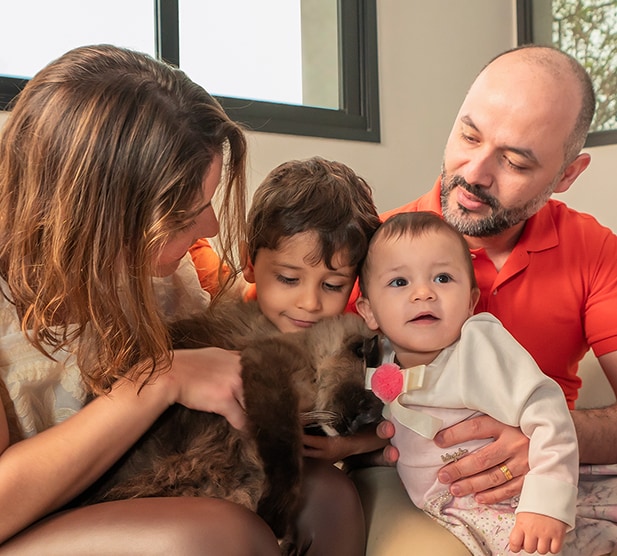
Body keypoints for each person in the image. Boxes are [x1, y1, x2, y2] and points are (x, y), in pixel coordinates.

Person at [0, 46, 352, 556]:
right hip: (28, 521)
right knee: (220, 537)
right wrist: (162, 378)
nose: (209, 228)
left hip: (139, 492)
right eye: (188, 213)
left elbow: (280, 330)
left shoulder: (184, 267)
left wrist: (362, 435)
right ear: (103, 215)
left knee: (326, 496)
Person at [352, 45, 617, 555]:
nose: (474, 173)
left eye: (515, 160)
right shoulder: (376, 250)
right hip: (416, 486)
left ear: (567, 175)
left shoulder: (592, 249)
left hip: (556, 478)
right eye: (468, 135)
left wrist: (548, 438)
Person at [356, 211, 578, 555]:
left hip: (510, 503)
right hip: (448, 512)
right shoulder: (378, 360)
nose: (423, 293)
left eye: (443, 278)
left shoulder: (479, 347)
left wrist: (545, 503)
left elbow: (548, 411)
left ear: (472, 301)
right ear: (368, 312)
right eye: (400, 282)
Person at [230, 155, 386, 553]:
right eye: (288, 278)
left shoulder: (349, 341)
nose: (309, 303)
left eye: (332, 285)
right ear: (249, 263)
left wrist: (348, 446)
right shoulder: (232, 325)